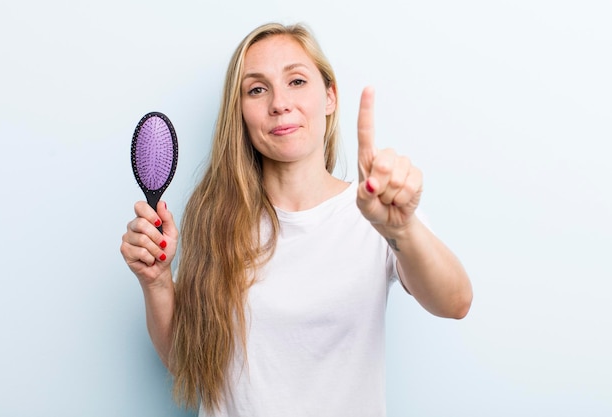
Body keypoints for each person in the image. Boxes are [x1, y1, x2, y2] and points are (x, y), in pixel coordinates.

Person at [120, 22, 472, 417]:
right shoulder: (213, 217)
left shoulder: (377, 212)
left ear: (330, 97)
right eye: (257, 89)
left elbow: (456, 302)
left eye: (297, 81)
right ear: (240, 113)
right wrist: (157, 283)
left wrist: (401, 229)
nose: (279, 103)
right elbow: (189, 363)